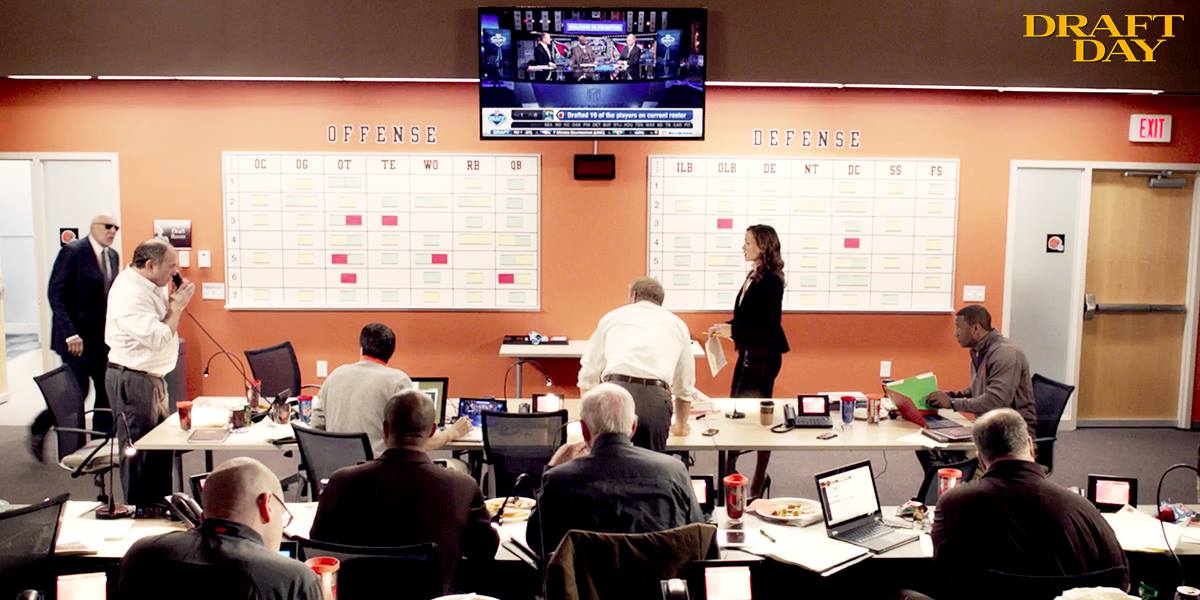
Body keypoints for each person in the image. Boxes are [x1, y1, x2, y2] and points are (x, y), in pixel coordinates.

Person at [310, 389, 498, 592]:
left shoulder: (341, 482)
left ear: (385, 429)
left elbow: (317, 545)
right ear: (432, 431)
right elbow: (485, 551)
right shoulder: (463, 487)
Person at [931, 408, 1128, 595]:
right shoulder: (1083, 509)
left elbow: (944, 571)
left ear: (981, 459)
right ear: (1031, 446)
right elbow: (1121, 581)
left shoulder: (954, 503)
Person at [526, 383, 704, 556]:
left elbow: (538, 542)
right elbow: (700, 536)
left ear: (584, 430)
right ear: (633, 427)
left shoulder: (559, 479)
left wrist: (552, 468)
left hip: (588, 577)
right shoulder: (674, 471)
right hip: (660, 576)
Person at [119, 457, 321, 599]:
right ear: (266, 504)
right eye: (282, 513)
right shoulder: (295, 580)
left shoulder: (141, 555)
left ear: (202, 515)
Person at [105, 238, 194, 507]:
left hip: (152, 379)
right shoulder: (130, 293)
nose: (175, 272)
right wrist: (177, 307)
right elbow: (157, 338)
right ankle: (139, 513)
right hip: (133, 380)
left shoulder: (151, 285)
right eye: (171, 267)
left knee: (159, 450)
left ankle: (159, 509)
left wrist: (173, 299)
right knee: (140, 456)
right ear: (150, 265)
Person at [578, 277, 708, 452]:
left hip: (614, 393)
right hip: (654, 400)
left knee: (608, 458)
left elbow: (589, 373)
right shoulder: (677, 324)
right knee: (651, 462)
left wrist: (587, 417)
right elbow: (684, 382)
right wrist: (681, 426)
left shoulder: (612, 317)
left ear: (634, 295)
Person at [30, 213, 121, 459]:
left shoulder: (112, 256)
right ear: (94, 227)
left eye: (116, 228)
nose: (112, 231)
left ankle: (101, 444)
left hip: (101, 339)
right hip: (75, 340)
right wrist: (70, 333)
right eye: (108, 226)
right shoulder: (73, 252)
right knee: (77, 393)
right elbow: (56, 294)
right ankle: (41, 427)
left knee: (105, 391)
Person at [709, 224, 789, 499]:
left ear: (763, 246)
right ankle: (730, 474)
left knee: (758, 418)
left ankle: (757, 480)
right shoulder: (753, 275)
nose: (742, 247)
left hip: (762, 357)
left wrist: (734, 330)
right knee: (736, 412)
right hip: (748, 355)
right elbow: (747, 318)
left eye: (747, 243)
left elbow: (768, 326)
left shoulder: (772, 281)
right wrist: (726, 326)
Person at [314, 322, 469, 457]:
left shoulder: (334, 375)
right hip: (379, 475)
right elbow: (416, 443)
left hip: (337, 474)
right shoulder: (398, 381)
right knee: (458, 466)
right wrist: (452, 433)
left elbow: (316, 428)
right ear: (391, 352)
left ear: (361, 349)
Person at [926, 305, 1038, 437]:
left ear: (976, 329)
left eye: (959, 328)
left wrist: (952, 403)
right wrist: (949, 396)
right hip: (989, 425)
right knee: (932, 435)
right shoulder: (979, 351)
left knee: (940, 441)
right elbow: (977, 390)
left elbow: (996, 401)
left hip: (1012, 433)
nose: (955, 334)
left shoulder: (1005, 353)